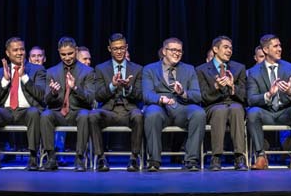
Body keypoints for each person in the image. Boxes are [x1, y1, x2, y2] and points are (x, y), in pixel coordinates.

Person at [142, 37, 206, 172]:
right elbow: (147, 94)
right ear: (164, 51)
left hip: (181, 108)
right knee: (152, 113)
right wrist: (161, 99)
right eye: (173, 50)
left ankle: (191, 160)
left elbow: (197, 95)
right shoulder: (150, 69)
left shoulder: (189, 69)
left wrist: (182, 92)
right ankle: (154, 160)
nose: (177, 53)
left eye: (180, 51)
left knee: (198, 113)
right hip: (160, 108)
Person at [0, 37, 46, 171]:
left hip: (27, 111)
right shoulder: (0, 72)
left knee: (34, 112)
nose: (19, 53)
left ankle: (33, 157)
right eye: (15, 50)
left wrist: (24, 77)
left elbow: (41, 95)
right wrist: (5, 81)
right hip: (6, 111)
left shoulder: (37, 70)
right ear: (8, 53)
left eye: (22, 49)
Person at [246, 34, 291, 170]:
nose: (280, 49)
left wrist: (290, 92)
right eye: (275, 46)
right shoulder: (254, 72)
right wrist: (268, 94)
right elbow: (251, 99)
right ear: (266, 50)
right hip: (266, 112)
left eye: (280, 45)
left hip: (284, 111)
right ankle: (261, 157)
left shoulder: (290, 68)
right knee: (252, 112)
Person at [89, 33, 144, 172]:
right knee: (93, 115)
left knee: (138, 115)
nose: (119, 51)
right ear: (109, 49)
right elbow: (98, 96)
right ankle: (101, 158)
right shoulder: (101, 69)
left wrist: (128, 87)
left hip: (129, 111)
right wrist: (112, 86)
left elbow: (140, 96)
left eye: (121, 48)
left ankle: (134, 158)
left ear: (126, 48)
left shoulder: (137, 69)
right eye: (115, 49)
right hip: (109, 111)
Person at [39, 37, 96, 171]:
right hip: (59, 112)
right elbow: (46, 101)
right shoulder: (52, 72)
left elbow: (90, 99)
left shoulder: (87, 71)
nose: (67, 57)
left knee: (84, 115)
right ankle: (51, 157)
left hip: (77, 112)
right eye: (63, 54)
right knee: (46, 114)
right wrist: (53, 93)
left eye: (70, 53)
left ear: (76, 51)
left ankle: (79, 158)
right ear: (59, 52)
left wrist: (75, 88)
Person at [195, 36, 248, 171]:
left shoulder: (239, 68)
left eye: (230, 48)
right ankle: (216, 157)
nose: (229, 50)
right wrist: (216, 87)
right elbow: (202, 97)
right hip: (213, 105)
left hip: (234, 103)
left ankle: (239, 157)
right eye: (225, 47)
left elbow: (245, 96)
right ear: (215, 49)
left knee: (236, 109)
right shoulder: (201, 69)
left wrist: (232, 87)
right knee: (220, 110)